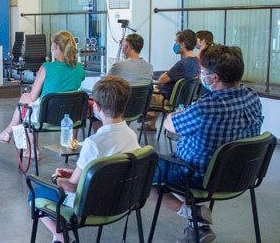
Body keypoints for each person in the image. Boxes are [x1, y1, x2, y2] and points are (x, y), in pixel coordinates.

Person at [153, 45, 263, 243]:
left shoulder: (206, 107)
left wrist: (178, 113)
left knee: (145, 171)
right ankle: (198, 228)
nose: (201, 76)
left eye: (203, 72)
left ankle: (192, 214)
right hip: (242, 175)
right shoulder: (253, 98)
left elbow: (170, 125)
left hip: (199, 175)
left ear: (215, 77)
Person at [34, 76, 141, 243]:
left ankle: (64, 239)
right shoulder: (131, 136)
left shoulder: (94, 143)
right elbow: (105, 170)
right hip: (122, 201)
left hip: (91, 206)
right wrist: (74, 173)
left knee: (35, 194)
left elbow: (72, 186)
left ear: (96, 107)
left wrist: (58, 180)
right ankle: (58, 238)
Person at [0, 31, 85, 154]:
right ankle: (72, 144)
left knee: (26, 100)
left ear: (56, 47)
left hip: (46, 118)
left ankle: (30, 149)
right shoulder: (79, 67)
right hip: (73, 119)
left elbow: (33, 97)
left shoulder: (46, 67)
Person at [144, 29, 200, 131]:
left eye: (176, 42)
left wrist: (165, 75)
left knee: (140, 94)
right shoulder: (195, 61)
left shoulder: (182, 64)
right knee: (157, 89)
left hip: (166, 98)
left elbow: (161, 80)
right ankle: (150, 123)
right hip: (180, 98)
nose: (175, 44)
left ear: (182, 44)